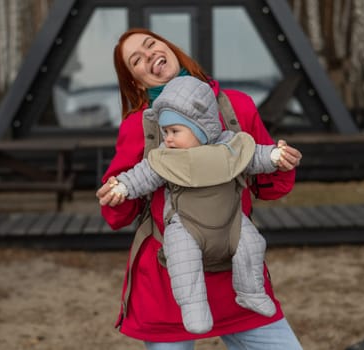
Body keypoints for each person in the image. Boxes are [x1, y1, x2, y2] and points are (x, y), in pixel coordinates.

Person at [96, 28, 303, 350]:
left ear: (171, 48)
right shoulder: (139, 127)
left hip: (235, 270)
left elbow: (270, 187)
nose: (149, 54)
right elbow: (118, 215)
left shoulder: (237, 106)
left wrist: (280, 161)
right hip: (170, 279)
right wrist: (115, 194)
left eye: (151, 44)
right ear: (136, 81)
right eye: (136, 59)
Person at [105, 75, 282, 334]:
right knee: (182, 256)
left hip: (231, 220)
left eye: (175, 131)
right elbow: (142, 175)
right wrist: (121, 187)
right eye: (165, 132)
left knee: (252, 244)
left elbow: (253, 156)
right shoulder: (167, 158)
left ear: (201, 127)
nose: (169, 139)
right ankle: (193, 305)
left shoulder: (228, 146)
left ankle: (250, 291)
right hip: (186, 223)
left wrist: (276, 155)